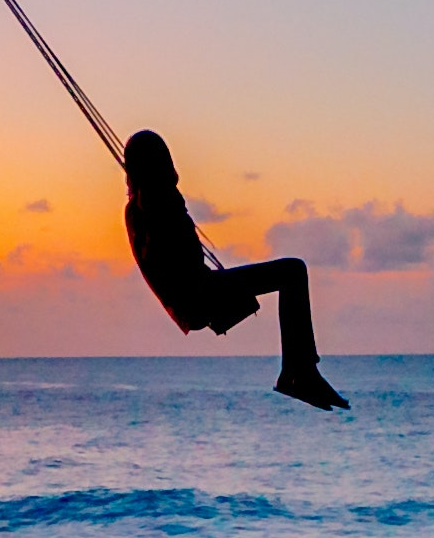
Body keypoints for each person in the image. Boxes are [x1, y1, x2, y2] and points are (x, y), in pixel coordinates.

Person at [120, 130, 346, 409]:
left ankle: (299, 372)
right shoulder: (155, 203)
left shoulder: (138, 210)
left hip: (192, 296)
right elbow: (182, 251)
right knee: (293, 271)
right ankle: (299, 373)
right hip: (198, 293)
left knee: (292, 273)